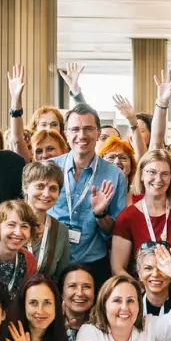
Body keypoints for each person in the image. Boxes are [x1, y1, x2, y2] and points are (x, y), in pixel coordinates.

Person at [50, 106, 128, 285]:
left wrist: (101, 214)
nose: (82, 135)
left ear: (98, 133)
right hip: (52, 261)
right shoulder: (49, 169)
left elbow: (115, 231)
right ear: (65, 134)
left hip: (93, 264)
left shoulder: (115, 176)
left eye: (88, 129)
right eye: (75, 129)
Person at [111, 148, 171, 275]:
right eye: (152, 172)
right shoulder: (127, 217)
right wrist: (141, 293)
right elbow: (118, 269)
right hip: (144, 289)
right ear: (141, 175)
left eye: (165, 174)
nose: (158, 179)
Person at [24, 161, 72, 280]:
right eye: (40, 186)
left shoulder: (61, 231)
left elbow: (61, 277)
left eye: (53, 188)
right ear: (25, 187)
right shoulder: (7, 222)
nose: (46, 194)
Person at [59, 264, 96, 341]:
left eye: (87, 286)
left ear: (94, 294)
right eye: (72, 286)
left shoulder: (103, 327)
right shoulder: (50, 324)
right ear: (62, 293)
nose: (80, 293)